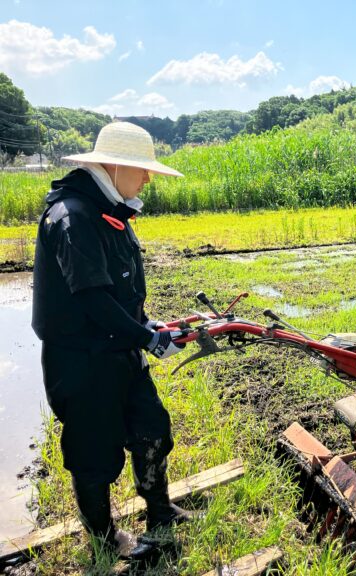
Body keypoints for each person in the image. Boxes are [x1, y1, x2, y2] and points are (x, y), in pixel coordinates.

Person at [32, 122, 193, 560]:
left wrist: (147, 325)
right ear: (116, 165)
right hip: (82, 361)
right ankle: (105, 540)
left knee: (152, 428)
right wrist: (148, 339)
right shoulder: (73, 216)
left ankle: (159, 510)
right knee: (93, 453)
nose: (147, 178)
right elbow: (93, 299)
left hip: (119, 350)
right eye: (142, 170)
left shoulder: (112, 211)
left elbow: (119, 292)